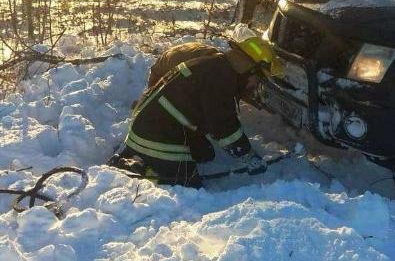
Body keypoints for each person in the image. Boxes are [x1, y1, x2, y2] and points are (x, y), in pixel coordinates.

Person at [108, 36, 284, 188]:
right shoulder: (220, 79)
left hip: (152, 124)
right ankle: (135, 168)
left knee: (204, 154)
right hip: (156, 135)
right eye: (258, 78)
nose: (255, 84)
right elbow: (223, 126)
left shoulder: (215, 65)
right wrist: (248, 155)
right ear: (250, 69)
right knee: (189, 184)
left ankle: (146, 157)